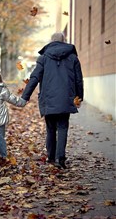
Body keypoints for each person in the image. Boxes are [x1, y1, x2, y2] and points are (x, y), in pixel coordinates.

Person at [21, 32, 84, 169]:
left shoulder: (43, 58)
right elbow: (79, 80)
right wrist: (79, 97)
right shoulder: (73, 58)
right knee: (62, 127)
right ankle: (60, 159)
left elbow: (34, 78)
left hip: (48, 100)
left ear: (51, 41)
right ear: (64, 41)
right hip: (66, 99)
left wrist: (24, 97)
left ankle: (51, 157)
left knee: (50, 129)